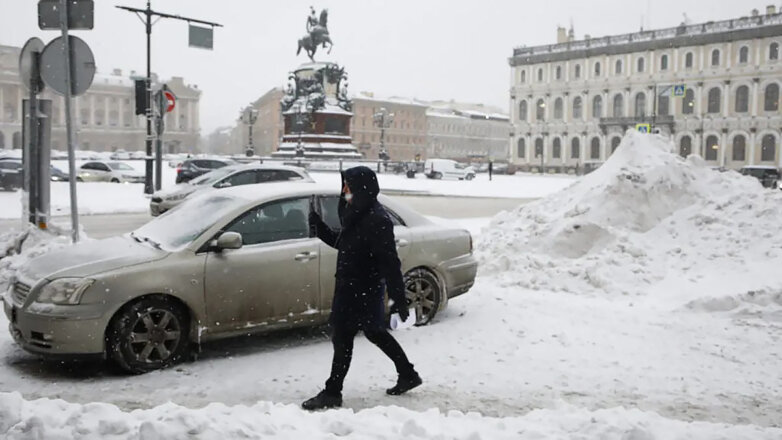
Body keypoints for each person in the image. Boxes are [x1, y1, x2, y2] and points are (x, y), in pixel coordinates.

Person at [302, 166, 422, 410]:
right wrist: (320, 227)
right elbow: (345, 245)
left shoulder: (377, 220)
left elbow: (390, 261)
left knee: (343, 336)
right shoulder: (356, 214)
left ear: (361, 188)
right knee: (373, 332)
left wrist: (400, 298)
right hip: (352, 286)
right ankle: (408, 374)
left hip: (362, 289)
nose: (344, 190)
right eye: (344, 184)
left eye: (348, 185)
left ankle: (332, 392)